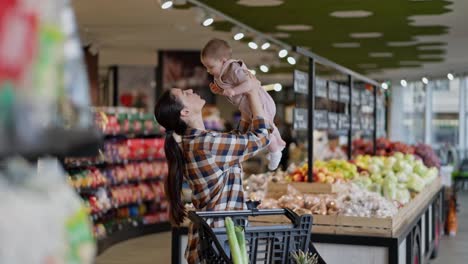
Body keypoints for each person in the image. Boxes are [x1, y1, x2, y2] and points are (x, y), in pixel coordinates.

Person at [154, 86, 271, 263]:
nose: (191, 90)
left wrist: (244, 103)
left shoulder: (196, 141)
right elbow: (261, 138)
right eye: (185, 94)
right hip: (220, 243)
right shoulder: (205, 143)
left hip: (212, 241)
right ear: (185, 111)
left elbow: (238, 138)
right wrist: (253, 92)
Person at [200, 38, 286, 170]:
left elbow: (249, 84)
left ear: (223, 61)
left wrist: (233, 90)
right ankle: (272, 149)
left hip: (261, 103)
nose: (209, 71)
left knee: (265, 129)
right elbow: (230, 91)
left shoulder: (234, 69)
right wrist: (221, 91)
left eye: (211, 67)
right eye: (206, 67)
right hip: (248, 107)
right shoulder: (221, 74)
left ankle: (275, 152)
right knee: (258, 129)